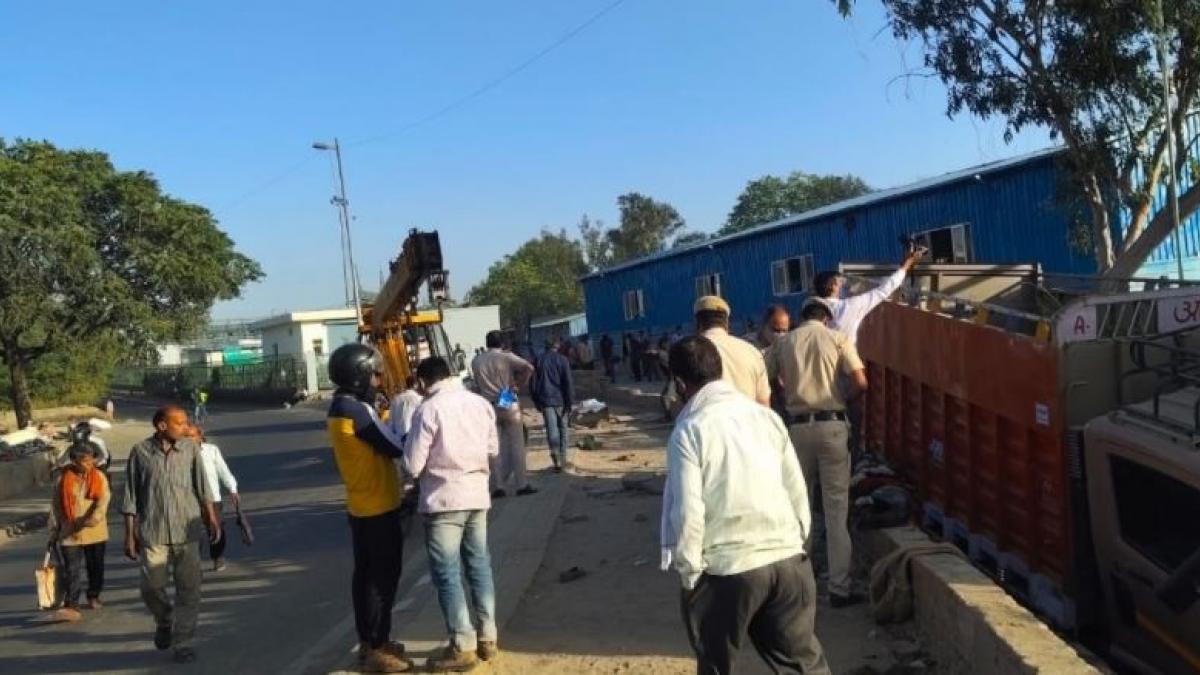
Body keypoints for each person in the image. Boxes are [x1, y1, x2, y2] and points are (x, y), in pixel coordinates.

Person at [660, 336, 830, 675]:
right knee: (804, 666)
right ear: (719, 370)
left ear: (679, 383)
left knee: (717, 666)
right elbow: (796, 490)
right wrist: (797, 547)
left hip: (729, 569)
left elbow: (689, 511)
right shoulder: (766, 418)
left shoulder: (690, 430)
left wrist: (691, 573)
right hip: (787, 560)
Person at [766, 296, 868, 608]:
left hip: (797, 429)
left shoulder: (785, 343)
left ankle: (800, 588)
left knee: (800, 508)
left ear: (802, 316)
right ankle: (839, 588)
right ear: (826, 317)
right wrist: (842, 399)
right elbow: (862, 382)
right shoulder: (838, 338)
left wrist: (785, 401)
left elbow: (765, 381)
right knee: (837, 512)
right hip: (833, 425)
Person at [402, 357, 500, 671]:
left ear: (422, 382)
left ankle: (462, 644)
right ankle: (488, 635)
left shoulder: (428, 409)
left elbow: (413, 464)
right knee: (479, 565)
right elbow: (493, 450)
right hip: (477, 495)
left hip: (444, 499)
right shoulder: (479, 404)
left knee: (447, 574)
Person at [326, 343, 414, 673]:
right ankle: (377, 647)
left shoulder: (339, 407)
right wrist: (407, 424)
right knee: (382, 580)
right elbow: (393, 446)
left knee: (364, 578)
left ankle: (371, 642)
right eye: (374, 374)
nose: (378, 380)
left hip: (361, 505)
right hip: (379, 506)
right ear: (360, 375)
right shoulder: (357, 411)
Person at [122, 405, 220, 664]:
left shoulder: (190, 449)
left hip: (187, 531)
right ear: (162, 426)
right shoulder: (140, 452)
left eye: (187, 423)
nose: (186, 428)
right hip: (153, 532)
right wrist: (129, 535)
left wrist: (212, 518)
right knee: (151, 587)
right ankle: (164, 619)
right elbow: (131, 497)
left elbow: (203, 486)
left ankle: (183, 641)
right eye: (180, 423)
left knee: (190, 590)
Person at [813, 247, 922, 461]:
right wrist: (906, 264)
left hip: (817, 380)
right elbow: (883, 290)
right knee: (849, 431)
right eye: (840, 282)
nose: (843, 284)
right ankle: (851, 467)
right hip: (844, 377)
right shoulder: (851, 306)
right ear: (833, 286)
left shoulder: (811, 309)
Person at [471, 331, 536, 499]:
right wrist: (519, 385)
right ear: (502, 343)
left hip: (488, 404)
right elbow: (529, 367)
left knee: (493, 447)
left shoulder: (476, 361)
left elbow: (476, 385)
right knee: (516, 443)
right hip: (505, 398)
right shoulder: (506, 357)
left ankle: (498, 486)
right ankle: (521, 484)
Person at [50, 441, 111, 622]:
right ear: (74, 461)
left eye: (91, 460)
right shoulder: (62, 479)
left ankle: (93, 595)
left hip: (95, 530)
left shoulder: (99, 477)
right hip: (69, 531)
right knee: (72, 569)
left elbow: (103, 501)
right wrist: (56, 527)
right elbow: (55, 505)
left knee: (96, 566)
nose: (88, 464)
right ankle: (72, 603)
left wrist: (91, 520)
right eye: (84, 461)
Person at [693, 296, 771, 406]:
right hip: (748, 421)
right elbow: (764, 403)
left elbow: (677, 404)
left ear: (698, 323)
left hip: (708, 422)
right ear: (727, 322)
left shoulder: (691, 352)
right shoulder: (752, 352)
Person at [190, 425, 239, 572]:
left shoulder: (211, 450)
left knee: (215, 528)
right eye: (185, 436)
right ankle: (192, 560)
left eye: (192, 436)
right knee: (192, 530)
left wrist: (232, 488)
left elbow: (222, 470)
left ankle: (218, 556)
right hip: (190, 498)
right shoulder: (180, 453)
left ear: (200, 436)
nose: (189, 440)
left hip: (212, 497)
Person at [531, 338, 575, 472]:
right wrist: (570, 402)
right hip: (560, 400)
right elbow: (568, 383)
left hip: (545, 400)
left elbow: (533, 384)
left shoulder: (538, 360)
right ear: (557, 346)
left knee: (551, 430)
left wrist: (536, 401)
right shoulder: (563, 360)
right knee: (563, 429)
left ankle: (555, 457)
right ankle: (563, 458)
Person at [388, 376, 424, 441]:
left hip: (398, 439)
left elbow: (391, 423)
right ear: (416, 385)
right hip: (414, 439)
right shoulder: (420, 399)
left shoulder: (396, 399)